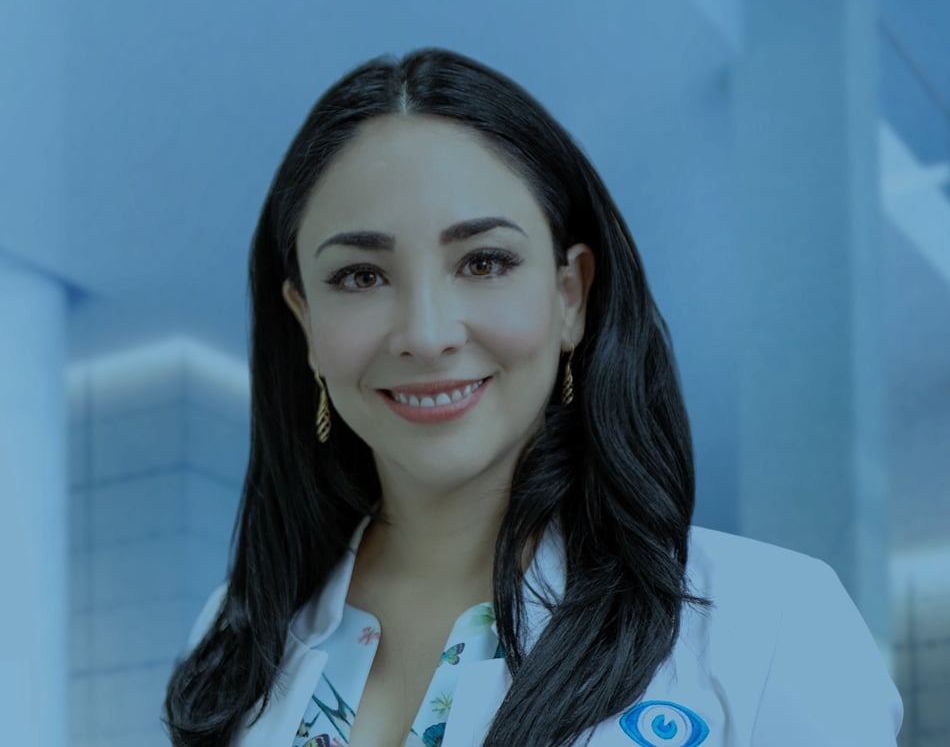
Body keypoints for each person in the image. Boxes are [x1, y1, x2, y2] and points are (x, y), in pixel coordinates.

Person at [162, 47, 903, 747]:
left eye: (484, 262)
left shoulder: (771, 623)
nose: (426, 334)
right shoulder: (237, 635)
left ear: (570, 295)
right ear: (305, 324)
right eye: (361, 276)